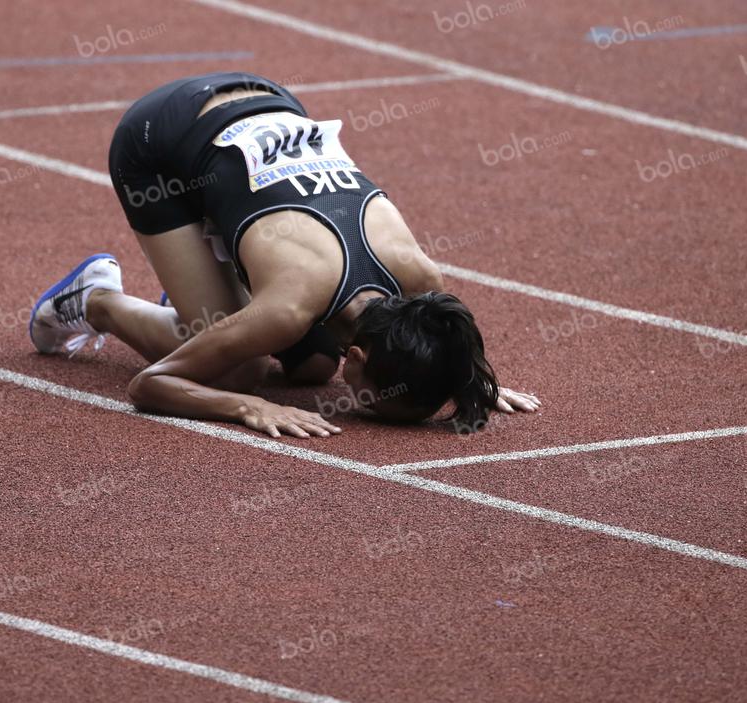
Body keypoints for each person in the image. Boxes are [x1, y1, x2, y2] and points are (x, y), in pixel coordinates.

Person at [29, 72, 540, 438]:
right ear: (358, 357)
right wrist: (244, 406)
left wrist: (464, 376)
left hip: (270, 99)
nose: (359, 406)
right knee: (241, 371)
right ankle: (97, 299)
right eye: (369, 401)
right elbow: (150, 386)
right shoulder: (289, 307)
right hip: (163, 140)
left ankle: (210, 289)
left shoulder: (422, 283)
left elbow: (449, 331)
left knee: (313, 365)